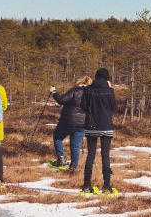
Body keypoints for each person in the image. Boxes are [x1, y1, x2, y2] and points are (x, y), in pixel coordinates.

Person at [81, 67, 118, 195]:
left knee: (90, 156)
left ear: (96, 77)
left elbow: (83, 107)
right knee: (105, 156)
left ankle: (86, 186)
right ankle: (107, 187)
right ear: (107, 78)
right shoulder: (109, 91)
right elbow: (114, 107)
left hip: (91, 127)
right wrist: (110, 89)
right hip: (106, 127)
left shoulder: (88, 90)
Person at [48, 76, 92, 173]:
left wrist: (54, 92)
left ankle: (61, 159)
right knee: (75, 146)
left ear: (79, 81)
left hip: (68, 121)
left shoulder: (75, 90)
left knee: (57, 137)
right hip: (82, 123)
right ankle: (73, 168)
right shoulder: (91, 94)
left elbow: (62, 100)